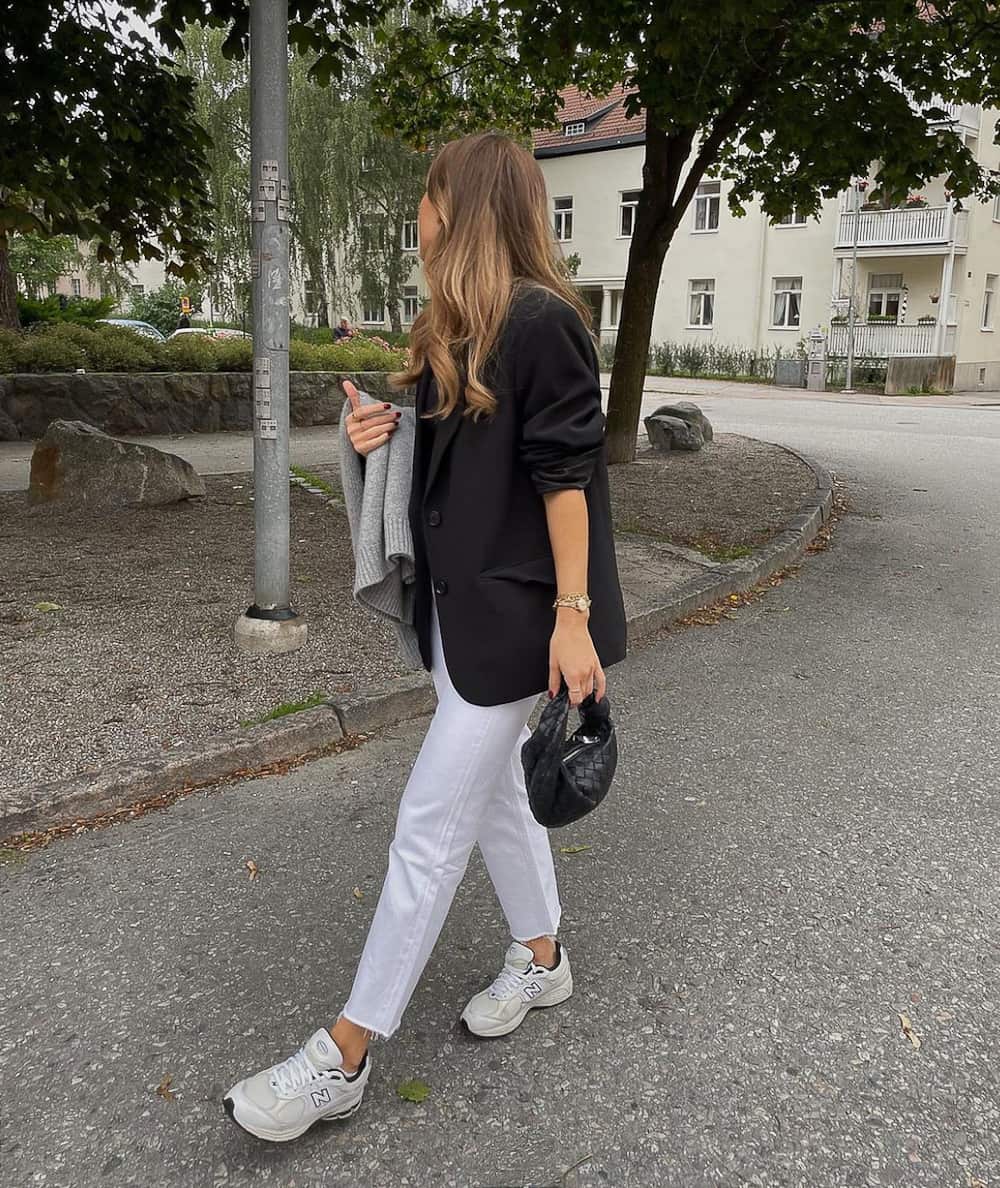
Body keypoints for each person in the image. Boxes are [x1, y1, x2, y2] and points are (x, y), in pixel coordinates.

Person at [223, 131, 628, 1143]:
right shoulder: (458, 324)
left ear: (463, 210)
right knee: (494, 802)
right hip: (460, 615)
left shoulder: (542, 322)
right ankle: (543, 961)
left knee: (428, 826)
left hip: (519, 621)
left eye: (427, 198)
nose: (418, 214)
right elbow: (458, 452)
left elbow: (567, 477)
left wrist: (573, 623)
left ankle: (345, 1054)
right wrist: (384, 430)